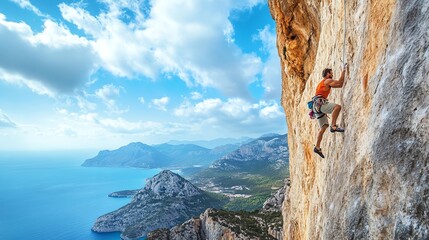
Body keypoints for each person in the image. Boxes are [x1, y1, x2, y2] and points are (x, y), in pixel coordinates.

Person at [313, 64, 347, 158]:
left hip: (316, 106)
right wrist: (343, 71)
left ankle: (317, 147)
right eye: (331, 73)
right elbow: (340, 84)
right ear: (328, 74)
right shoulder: (327, 80)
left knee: (323, 128)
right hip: (320, 104)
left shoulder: (321, 83)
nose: (332, 74)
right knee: (337, 107)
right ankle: (333, 126)